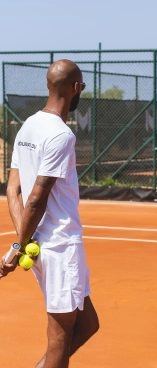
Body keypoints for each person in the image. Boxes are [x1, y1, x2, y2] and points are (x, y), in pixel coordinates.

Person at [0, 59, 99, 367]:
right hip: (59, 246)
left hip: (43, 245)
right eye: (81, 85)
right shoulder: (61, 135)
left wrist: (24, 239)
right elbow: (35, 198)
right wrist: (18, 247)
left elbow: (12, 190)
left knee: (87, 324)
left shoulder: (29, 125)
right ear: (74, 89)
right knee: (59, 337)